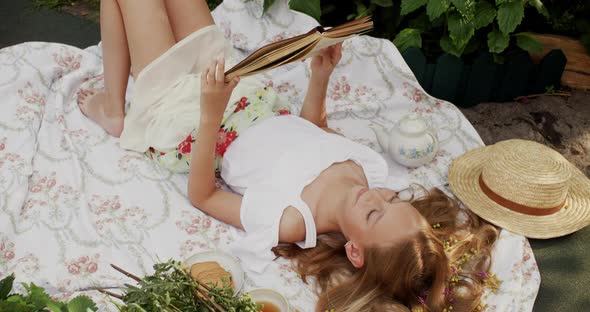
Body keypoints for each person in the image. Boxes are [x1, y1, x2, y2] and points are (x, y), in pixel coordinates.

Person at [78, 1, 499, 311]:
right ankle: (115, 102)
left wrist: (210, 112)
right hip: (239, 92)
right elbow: (310, 136)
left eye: (375, 215)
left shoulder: (293, 219)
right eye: (393, 200)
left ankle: (117, 110)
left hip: (190, 120)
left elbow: (204, 196)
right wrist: (321, 76)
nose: (377, 197)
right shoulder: (365, 172)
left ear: (355, 252)